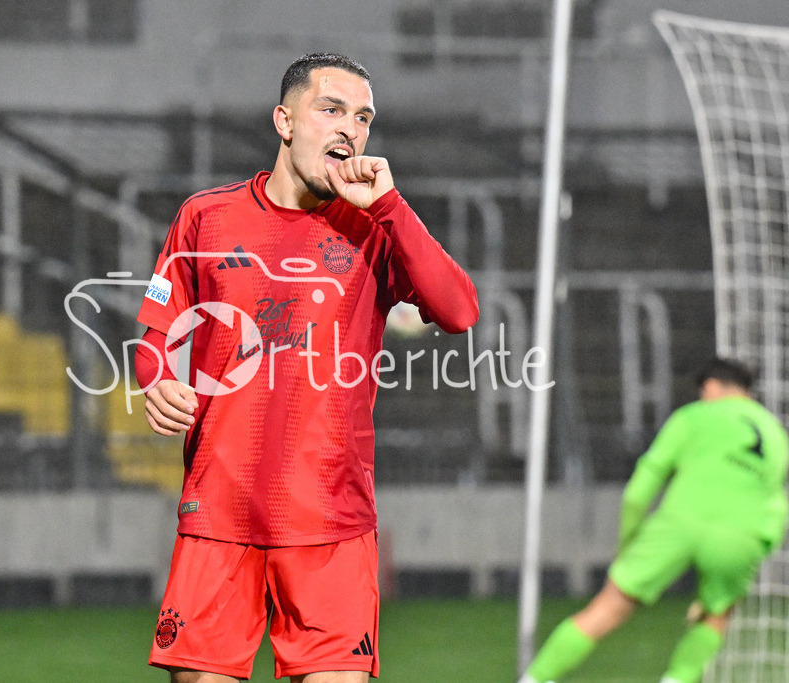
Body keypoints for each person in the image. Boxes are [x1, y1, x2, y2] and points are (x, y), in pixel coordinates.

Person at [132, 53, 479, 681]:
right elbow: (156, 332)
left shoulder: (375, 229)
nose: (350, 128)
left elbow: (458, 310)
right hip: (220, 514)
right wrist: (157, 381)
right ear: (284, 121)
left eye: (364, 117)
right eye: (331, 109)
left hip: (331, 523)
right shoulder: (205, 216)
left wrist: (391, 208)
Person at [520, 357, 789, 683]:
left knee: (611, 605)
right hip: (741, 534)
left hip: (680, 523)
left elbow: (639, 491)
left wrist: (628, 544)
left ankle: (535, 679)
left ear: (711, 386)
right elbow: (777, 503)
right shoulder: (776, 433)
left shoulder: (693, 417)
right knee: (717, 614)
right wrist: (760, 544)